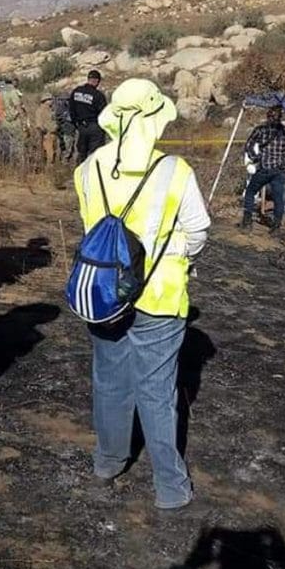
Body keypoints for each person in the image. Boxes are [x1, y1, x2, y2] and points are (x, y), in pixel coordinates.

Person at [73, 78, 211, 510]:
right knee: (156, 390)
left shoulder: (88, 168)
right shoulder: (175, 171)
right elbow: (198, 232)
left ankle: (108, 461)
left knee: (109, 381)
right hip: (161, 297)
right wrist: (174, 255)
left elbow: (90, 227)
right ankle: (170, 487)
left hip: (104, 296)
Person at [239, 106, 285, 232]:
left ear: (268, 116)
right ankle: (276, 227)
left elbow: (249, 144)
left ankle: (247, 222)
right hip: (279, 170)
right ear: (280, 117)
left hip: (264, 168)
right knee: (278, 198)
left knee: (250, 192)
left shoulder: (261, 130)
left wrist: (255, 157)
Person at [70, 70, 108, 163]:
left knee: (82, 153)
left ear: (88, 79)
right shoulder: (98, 95)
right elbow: (104, 113)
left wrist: (77, 124)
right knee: (95, 154)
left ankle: (79, 173)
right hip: (95, 127)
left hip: (81, 127)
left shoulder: (76, 91)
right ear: (97, 81)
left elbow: (71, 109)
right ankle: (92, 174)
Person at [35, 94, 59, 165]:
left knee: (54, 152)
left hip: (53, 134)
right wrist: (44, 131)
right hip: (47, 135)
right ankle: (48, 169)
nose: (51, 101)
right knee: (49, 153)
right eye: (49, 99)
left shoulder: (51, 109)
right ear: (45, 101)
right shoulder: (40, 110)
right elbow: (39, 124)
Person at [53, 93, 77, 162]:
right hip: (65, 131)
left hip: (71, 130)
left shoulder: (72, 108)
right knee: (66, 148)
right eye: (66, 100)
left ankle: (68, 161)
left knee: (71, 147)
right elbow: (57, 119)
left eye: (68, 100)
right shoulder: (60, 109)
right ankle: (64, 161)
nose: (67, 101)